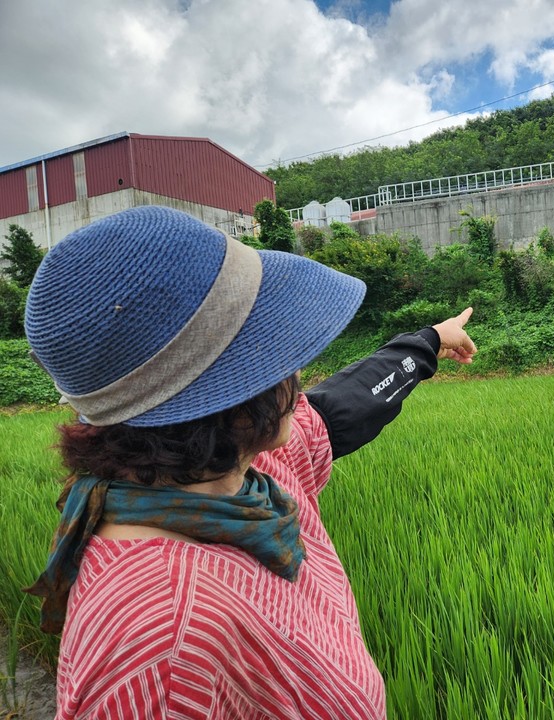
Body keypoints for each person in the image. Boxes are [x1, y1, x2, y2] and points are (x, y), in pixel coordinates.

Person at [24, 205, 476, 719]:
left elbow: (336, 409)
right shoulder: (160, 651)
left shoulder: (243, 475)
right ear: (231, 405)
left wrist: (429, 343)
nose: (297, 372)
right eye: (275, 354)